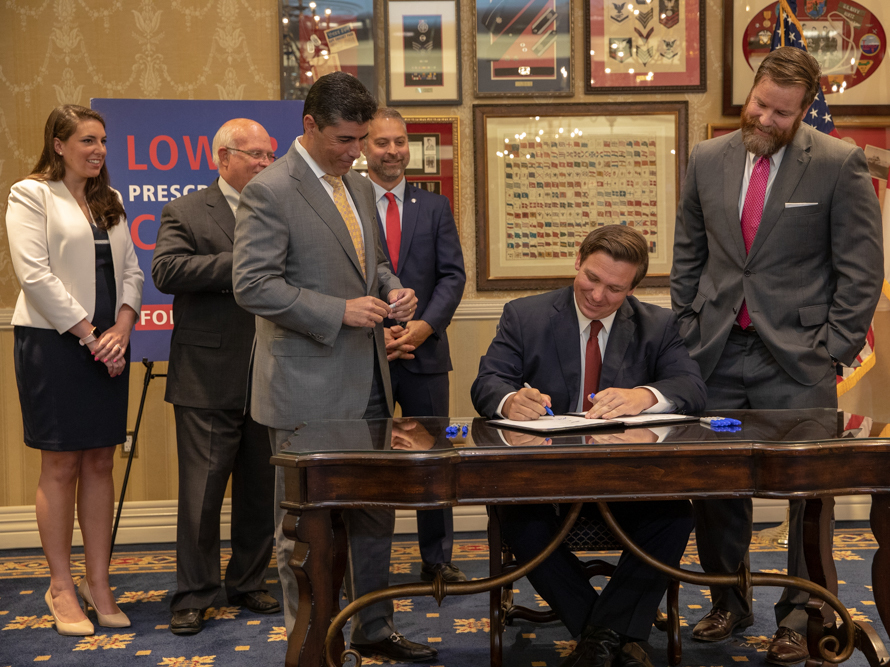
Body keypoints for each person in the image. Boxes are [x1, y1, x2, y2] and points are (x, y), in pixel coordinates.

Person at [671, 46, 883, 664]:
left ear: (805, 109)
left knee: (806, 497)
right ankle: (728, 601)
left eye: (782, 113)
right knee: (715, 490)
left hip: (798, 359)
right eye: (760, 104)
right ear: (752, 91)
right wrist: (686, 328)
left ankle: (798, 616)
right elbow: (688, 252)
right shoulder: (707, 157)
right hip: (713, 352)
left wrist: (834, 349)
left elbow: (861, 269)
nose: (765, 120)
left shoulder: (838, 163)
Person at [232, 72, 435, 663]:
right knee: (306, 530)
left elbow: (374, 264)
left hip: (372, 379)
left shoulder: (361, 188)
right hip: (306, 388)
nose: (356, 152)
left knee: (374, 514)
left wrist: (394, 290)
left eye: (362, 139)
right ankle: (314, 646)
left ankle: (373, 626)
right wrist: (337, 311)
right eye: (345, 140)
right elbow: (252, 285)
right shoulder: (271, 189)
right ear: (310, 126)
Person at [471, 226, 706, 667]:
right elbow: (488, 382)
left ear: (632, 289)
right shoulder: (525, 315)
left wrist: (644, 396)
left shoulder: (657, 325)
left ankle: (598, 640)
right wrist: (509, 400)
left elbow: (691, 387)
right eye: (592, 278)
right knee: (517, 516)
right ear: (578, 261)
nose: (598, 295)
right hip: (544, 480)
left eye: (615, 289)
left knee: (675, 515)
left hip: (626, 479)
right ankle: (611, 634)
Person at [5, 105, 143, 635]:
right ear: (59, 144)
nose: (99, 150)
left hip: (111, 344)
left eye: (103, 140)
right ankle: (61, 586)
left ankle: (98, 583)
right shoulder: (31, 194)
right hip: (55, 344)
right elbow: (34, 275)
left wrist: (122, 328)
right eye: (88, 140)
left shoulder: (111, 200)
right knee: (61, 464)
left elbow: (132, 271)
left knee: (101, 462)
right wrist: (90, 336)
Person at [152, 118, 279, 636]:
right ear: (223, 158)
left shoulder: (279, 210)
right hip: (206, 376)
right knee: (201, 497)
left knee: (261, 491)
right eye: (255, 155)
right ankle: (194, 593)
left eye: (269, 155)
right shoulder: (186, 210)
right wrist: (241, 264)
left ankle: (247, 582)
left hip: (270, 373)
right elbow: (166, 270)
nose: (265, 163)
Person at [362, 108, 467, 583]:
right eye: (382, 142)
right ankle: (367, 563)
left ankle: (438, 559)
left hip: (426, 354)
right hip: (367, 355)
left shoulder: (435, 207)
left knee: (434, 459)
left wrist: (424, 327)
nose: (393, 151)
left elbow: (452, 276)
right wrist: (376, 332)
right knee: (368, 460)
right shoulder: (347, 203)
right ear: (364, 147)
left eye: (400, 142)